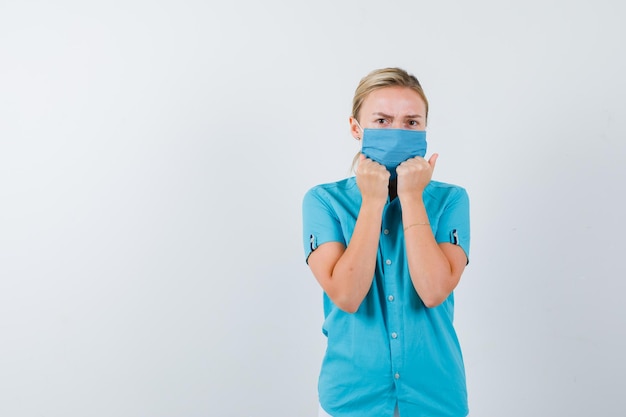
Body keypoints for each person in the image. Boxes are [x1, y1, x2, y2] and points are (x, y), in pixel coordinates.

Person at [302, 67, 471, 417]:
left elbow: (434, 290)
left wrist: (411, 197)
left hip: (435, 397)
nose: (397, 131)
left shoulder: (452, 200)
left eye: (411, 122)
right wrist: (373, 201)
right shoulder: (323, 201)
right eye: (382, 120)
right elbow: (347, 295)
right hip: (350, 398)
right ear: (356, 128)